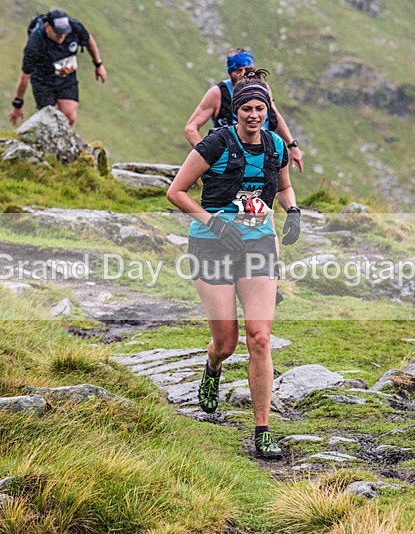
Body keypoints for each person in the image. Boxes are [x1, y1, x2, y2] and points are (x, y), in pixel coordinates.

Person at [167, 68, 303, 459]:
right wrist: (213, 220)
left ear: (267, 112)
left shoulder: (276, 145)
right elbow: (176, 192)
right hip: (211, 245)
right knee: (226, 343)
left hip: (259, 244)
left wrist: (292, 211)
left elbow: (283, 185)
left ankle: (262, 429)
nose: (254, 114)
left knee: (259, 337)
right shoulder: (216, 143)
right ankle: (212, 365)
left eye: (261, 107)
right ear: (236, 111)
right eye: (247, 107)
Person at [184, 49, 304, 173]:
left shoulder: (262, 88)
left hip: (263, 157)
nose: (242, 74)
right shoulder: (218, 93)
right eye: (238, 70)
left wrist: (292, 145)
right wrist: (208, 157)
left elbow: (274, 116)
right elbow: (190, 128)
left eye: (246, 70)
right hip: (230, 163)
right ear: (230, 72)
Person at [9, 8, 107, 127]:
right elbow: (24, 76)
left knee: (70, 116)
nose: (62, 36)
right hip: (43, 81)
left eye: (64, 32)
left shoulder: (74, 27)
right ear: (47, 26)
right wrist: (17, 104)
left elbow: (88, 40)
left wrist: (98, 65)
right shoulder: (35, 43)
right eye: (58, 33)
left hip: (67, 77)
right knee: (49, 120)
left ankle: (65, 143)